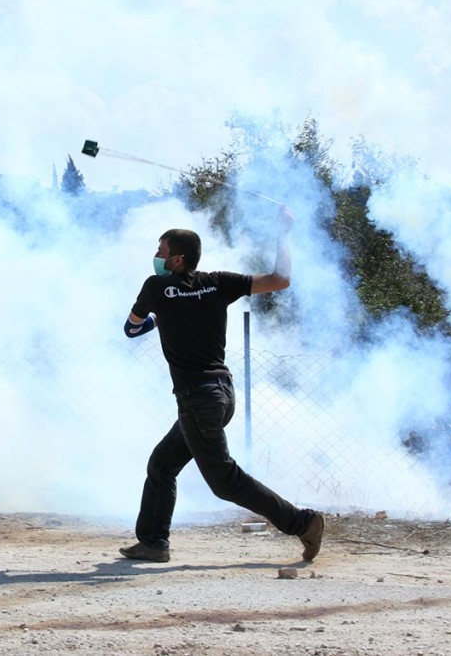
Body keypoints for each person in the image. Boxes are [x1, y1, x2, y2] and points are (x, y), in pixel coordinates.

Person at [119, 204, 324, 563]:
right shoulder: (216, 283)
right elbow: (281, 279)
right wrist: (283, 233)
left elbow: (131, 328)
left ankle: (301, 522)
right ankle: (153, 542)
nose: (155, 256)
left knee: (224, 481)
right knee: (162, 465)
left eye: (161, 251)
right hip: (221, 395)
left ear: (178, 260)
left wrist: (159, 320)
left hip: (197, 400)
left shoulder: (156, 287)